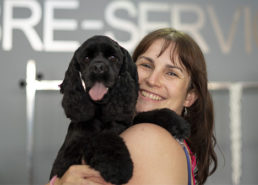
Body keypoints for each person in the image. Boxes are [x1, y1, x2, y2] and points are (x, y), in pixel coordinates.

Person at [48, 28, 217, 185]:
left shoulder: (148, 137)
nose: (152, 80)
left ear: (190, 96)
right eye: (146, 65)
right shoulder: (176, 143)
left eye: (171, 73)